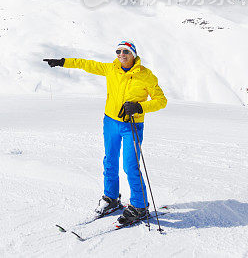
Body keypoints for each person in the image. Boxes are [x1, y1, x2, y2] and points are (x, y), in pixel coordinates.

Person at [43, 40, 167, 225]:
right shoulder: (111, 69)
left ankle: (140, 206)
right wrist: (63, 62)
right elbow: (87, 64)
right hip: (110, 122)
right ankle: (111, 198)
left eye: (125, 51)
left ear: (133, 54)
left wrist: (139, 106)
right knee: (109, 161)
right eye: (118, 51)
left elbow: (161, 100)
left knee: (130, 166)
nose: (121, 54)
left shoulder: (146, 75)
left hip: (131, 126)